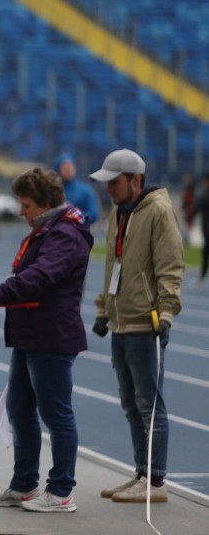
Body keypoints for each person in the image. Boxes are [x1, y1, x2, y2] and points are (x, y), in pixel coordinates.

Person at [0, 167, 92, 513]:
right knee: (21, 409)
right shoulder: (48, 230)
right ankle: (24, 484)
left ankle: (60, 491)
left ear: (43, 203)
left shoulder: (66, 234)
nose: (21, 211)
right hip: (30, 332)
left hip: (52, 335)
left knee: (56, 413)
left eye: (25, 205)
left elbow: (39, 277)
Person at [89, 148, 184, 504]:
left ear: (136, 180)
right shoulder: (119, 212)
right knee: (130, 405)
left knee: (150, 404)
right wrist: (103, 310)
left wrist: (167, 313)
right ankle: (142, 473)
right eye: (107, 183)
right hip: (120, 322)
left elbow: (171, 267)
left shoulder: (159, 212)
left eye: (114, 183)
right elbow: (111, 265)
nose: (109, 189)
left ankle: (156, 482)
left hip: (146, 323)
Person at [53, 152, 99, 225]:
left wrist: (75, 215)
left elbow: (94, 214)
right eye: (64, 168)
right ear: (58, 170)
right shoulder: (53, 191)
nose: (68, 171)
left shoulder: (85, 191)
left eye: (70, 167)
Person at [187, 172, 209, 288]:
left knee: (205, 253)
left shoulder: (204, 195)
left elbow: (196, 208)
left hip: (207, 229)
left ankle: (202, 278)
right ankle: (202, 277)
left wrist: (188, 217)